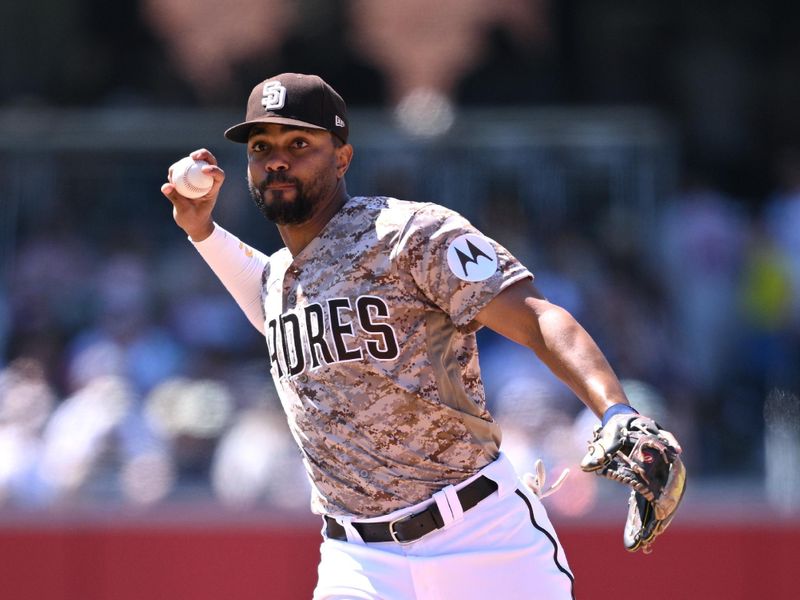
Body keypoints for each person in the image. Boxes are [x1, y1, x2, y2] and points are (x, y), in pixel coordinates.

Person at [160, 73, 642, 600]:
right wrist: (201, 230)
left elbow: (537, 318)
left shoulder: (410, 233)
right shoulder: (279, 282)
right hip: (357, 559)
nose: (277, 159)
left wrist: (617, 411)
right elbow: (263, 286)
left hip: (479, 536)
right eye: (261, 147)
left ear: (342, 158)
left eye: (299, 143)